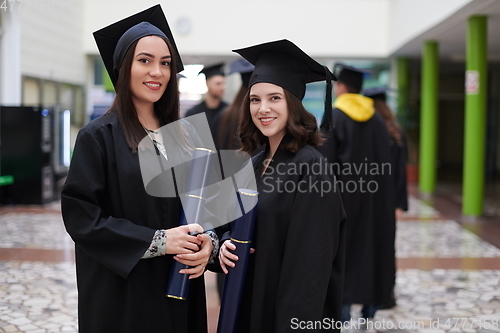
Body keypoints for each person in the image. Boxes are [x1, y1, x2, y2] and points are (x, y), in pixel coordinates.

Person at [61, 5, 218, 332]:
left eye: (165, 63)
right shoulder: (97, 137)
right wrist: (160, 241)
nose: (157, 72)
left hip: (181, 288)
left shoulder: (185, 135)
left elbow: (208, 208)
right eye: (144, 60)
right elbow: (82, 218)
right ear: (123, 68)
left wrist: (209, 245)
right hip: (125, 295)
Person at [219, 39, 346, 332]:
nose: (263, 108)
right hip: (247, 301)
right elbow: (231, 222)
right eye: (255, 99)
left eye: (274, 98)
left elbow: (310, 269)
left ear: (293, 102)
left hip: (282, 314)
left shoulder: (311, 168)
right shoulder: (255, 161)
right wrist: (224, 243)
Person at [316, 64, 396, 322]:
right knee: (372, 249)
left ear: (340, 87)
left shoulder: (335, 117)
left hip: (344, 200)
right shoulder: (376, 119)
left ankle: (343, 309)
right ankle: (370, 306)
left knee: (345, 252)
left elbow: (324, 165)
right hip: (375, 201)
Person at [363, 86, 409, 310]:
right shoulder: (395, 131)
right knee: (386, 246)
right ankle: (386, 294)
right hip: (389, 198)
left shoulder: (370, 129)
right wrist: (399, 202)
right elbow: (401, 171)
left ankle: (369, 291)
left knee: (369, 244)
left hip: (371, 197)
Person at [184, 62, 228, 145]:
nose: (222, 87)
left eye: (224, 83)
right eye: (218, 84)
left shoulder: (229, 112)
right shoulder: (193, 113)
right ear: (207, 83)